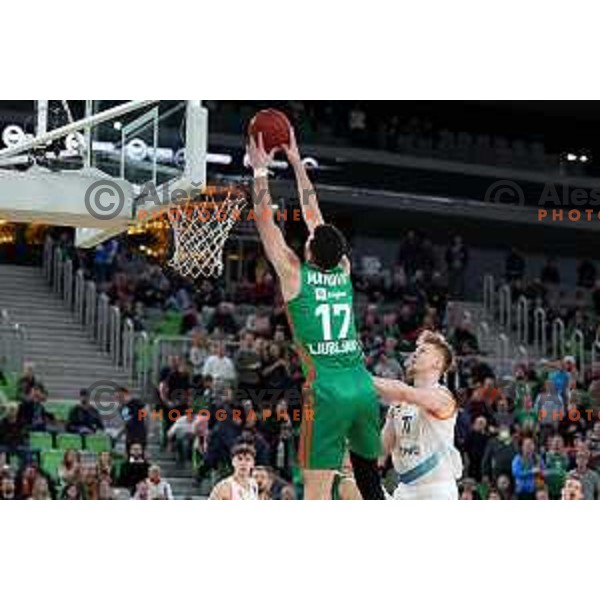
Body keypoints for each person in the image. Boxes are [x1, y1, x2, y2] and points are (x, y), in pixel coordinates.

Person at [246, 129, 383, 500]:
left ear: (308, 251)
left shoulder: (294, 275)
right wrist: (295, 161)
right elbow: (312, 213)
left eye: (308, 239)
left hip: (327, 392)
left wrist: (260, 172)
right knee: (366, 484)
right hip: (361, 385)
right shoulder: (343, 270)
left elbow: (265, 222)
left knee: (317, 494)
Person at [375, 331, 463, 499]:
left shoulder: (443, 397)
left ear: (437, 363)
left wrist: (360, 378)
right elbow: (382, 450)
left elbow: (405, 392)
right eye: (416, 350)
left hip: (437, 489)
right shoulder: (399, 403)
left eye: (423, 351)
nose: (416, 353)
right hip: (405, 488)